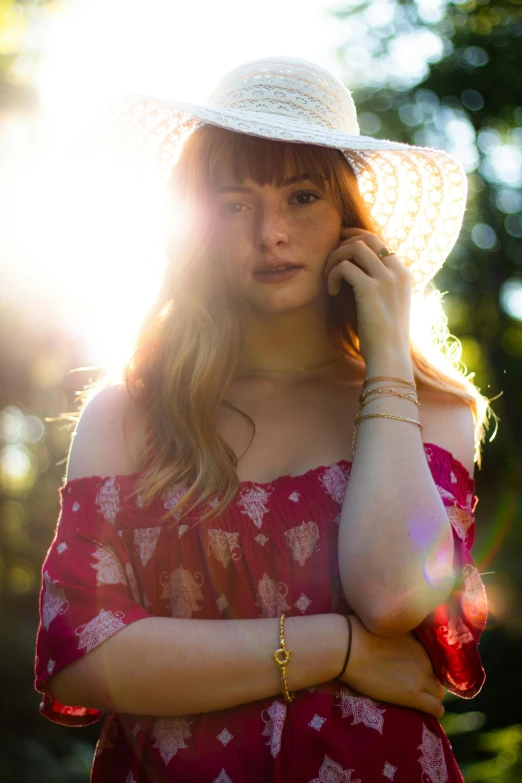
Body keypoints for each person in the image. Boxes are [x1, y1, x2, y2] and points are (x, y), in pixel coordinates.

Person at [35, 56, 492, 782]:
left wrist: (386, 362)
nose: (270, 232)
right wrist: (336, 647)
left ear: (348, 216)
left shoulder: (431, 410)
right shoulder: (127, 413)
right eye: (234, 203)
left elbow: (394, 590)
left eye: (302, 195)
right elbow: (82, 656)